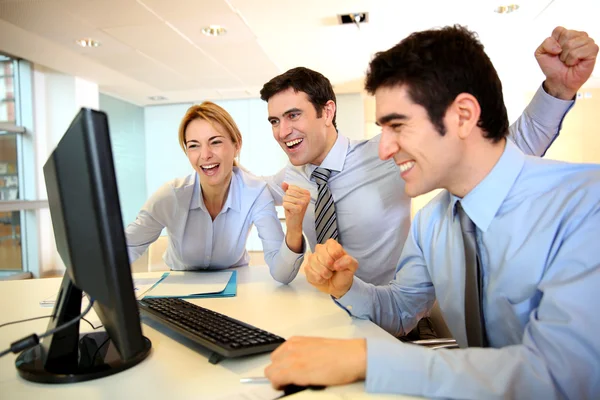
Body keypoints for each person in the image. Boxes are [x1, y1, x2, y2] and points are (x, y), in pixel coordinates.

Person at [264, 25, 600, 399]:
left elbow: (566, 376)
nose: (384, 149)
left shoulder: (588, 206)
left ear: (462, 116)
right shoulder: (431, 224)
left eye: (398, 126)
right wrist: (347, 287)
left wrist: (368, 360)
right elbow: (401, 307)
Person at [259, 26, 596, 287]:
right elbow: (241, 189)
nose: (282, 131)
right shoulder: (286, 181)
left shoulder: (390, 151)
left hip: (393, 316)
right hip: (323, 310)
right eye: (274, 121)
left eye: (293, 116)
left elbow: (505, 149)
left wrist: (557, 90)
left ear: (327, 111)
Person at [125, 102, 306, 281]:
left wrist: (294, 229)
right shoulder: (171, 196)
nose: (205, 155)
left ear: (237, 145)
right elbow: (126, 247)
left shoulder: (255, 192)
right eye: (194, 145)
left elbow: (282, 273)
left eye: (215, 142)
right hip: (179, 292)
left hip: (238, 290)